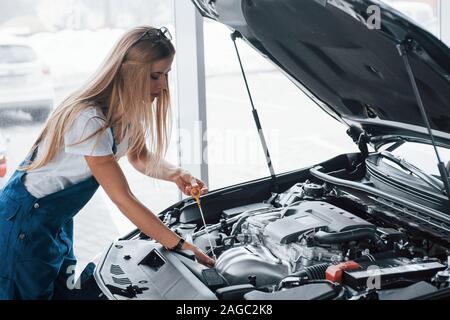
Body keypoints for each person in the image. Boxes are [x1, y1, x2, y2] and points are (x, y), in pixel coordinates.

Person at [0, 26, 215, 300]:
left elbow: (140, 156)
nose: (163, 86)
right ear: (128, 72)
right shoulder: (88, 119)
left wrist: (176, 174)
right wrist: (180, 245)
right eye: (155, 76)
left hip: (56, 220)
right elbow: (122, 198)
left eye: (166, 75)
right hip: (24, 221)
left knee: (61, 293)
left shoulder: (126, 111)